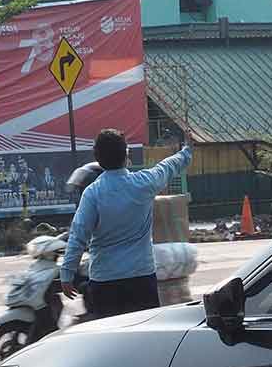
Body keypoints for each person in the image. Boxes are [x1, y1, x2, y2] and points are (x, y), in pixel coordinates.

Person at [60, 130, 191, 318]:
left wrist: (67, 274)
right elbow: (168, 166)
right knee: (142, 341)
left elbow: (78, 235)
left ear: (97, 157)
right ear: (126, 155)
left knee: (111, 342)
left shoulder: (92, 193)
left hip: (105, 283)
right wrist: (186, 151)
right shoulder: (144, 183)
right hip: (142, 281)